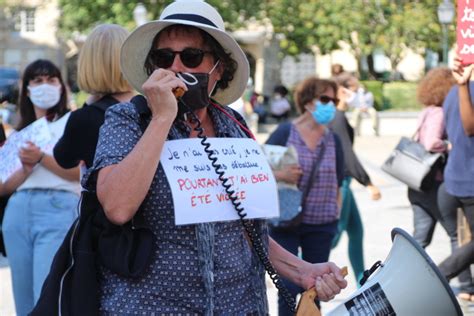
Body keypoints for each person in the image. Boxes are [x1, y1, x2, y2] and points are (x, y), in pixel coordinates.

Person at [81, 1, 347, 314]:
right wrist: (161, 119)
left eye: (191, 57)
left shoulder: (233, 125)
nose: (176, 68)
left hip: (238, 305)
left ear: (218, 69)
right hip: (153, 306)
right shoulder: (127, 120)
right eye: (164, 58)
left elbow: (246, 231)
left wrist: (302, 271)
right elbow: (117, 207)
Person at [0, 59, 80, 316]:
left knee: (47, 295)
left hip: (58, 207)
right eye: (37, 80)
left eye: (51, 80)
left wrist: (41, 158)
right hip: (18, 211)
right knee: (23, 300)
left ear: (61, 86)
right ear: (27, 89)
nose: (44, 86)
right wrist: (25, 169)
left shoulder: (72, 122)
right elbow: (4, 185)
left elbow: (78, 173)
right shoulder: (18, 134)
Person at [266, 77, 344, 315]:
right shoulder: (285, 132)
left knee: (316, 286)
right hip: (286, 220)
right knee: (288, 286)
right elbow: (255, 171)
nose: (330, 105)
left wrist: (336, 215)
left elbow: (339, 181)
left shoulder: (333, 139)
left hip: (321, 223)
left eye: (334, 100)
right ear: (308, 102)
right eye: (324, 99)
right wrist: (281, 174)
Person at [54, 24, 134, 172]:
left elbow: (63, 159)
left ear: (87, 64)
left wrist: (86, 105)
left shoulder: (83, 119)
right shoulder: (153, 109)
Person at [329, 84, 381, 284]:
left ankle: (362, 282)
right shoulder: (337, 117)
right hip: (340, 183)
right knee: (333, 237)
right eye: (348, 89)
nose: (354, 94)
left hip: (344, 182)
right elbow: (348, 155)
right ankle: (293, 267)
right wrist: (368, 183)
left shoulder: (339, 116)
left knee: (356, 231)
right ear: (338, 93)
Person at [437, 57, 474, 301]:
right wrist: (463, 86)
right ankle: (440, 274)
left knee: (457, 240)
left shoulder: (451, 92)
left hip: (451, 181)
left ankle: (467, 288)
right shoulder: (459, 90)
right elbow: (469, 128)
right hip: (470, 183)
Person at [406, 67, 456, 249]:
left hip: (417, 182)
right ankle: (463, 278)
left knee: (419, 239)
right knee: (457, 235)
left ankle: (401, 275)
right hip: (433, 183)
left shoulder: (427, 110)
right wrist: (449, 145)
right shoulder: (439, 113)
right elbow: (431, 143)